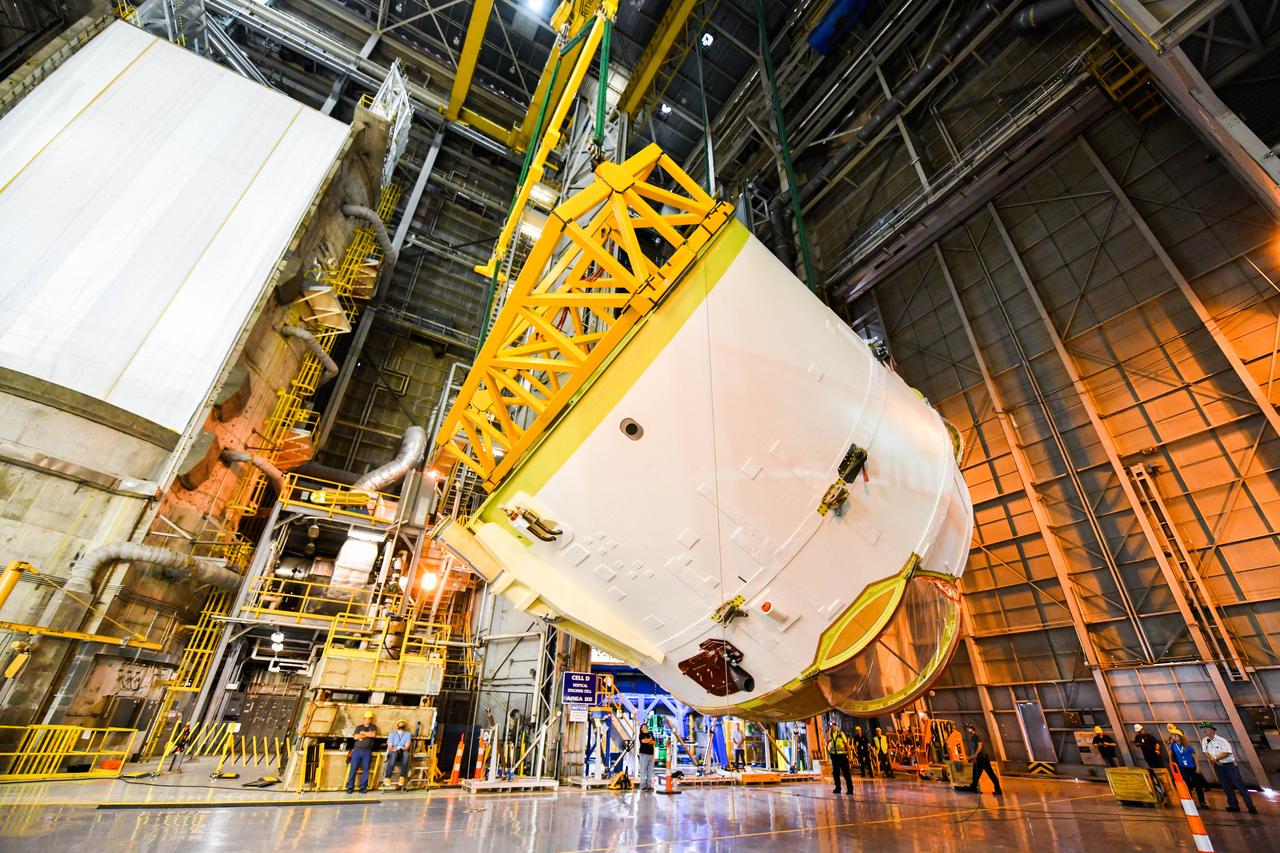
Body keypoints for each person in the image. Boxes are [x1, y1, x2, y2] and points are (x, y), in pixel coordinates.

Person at [1200, 723, 1257, 814]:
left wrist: (1216, 759)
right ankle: (1233, 805)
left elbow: (1226, 752)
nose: (1204, 731)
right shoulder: (1205, 741)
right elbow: (1205, 752)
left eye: (1206, 728)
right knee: (1226, 786)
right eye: (1204, 729)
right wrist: (1214, 760)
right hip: (1218, 766)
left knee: (1239, 786)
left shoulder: (1222, 741)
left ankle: (1250, 806)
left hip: (1229, 766)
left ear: (1212, 730)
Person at [1168, 728, 1208, 809]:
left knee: (1197, 784)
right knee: (1186, 785)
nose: (1174, 737)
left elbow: (1194, 756)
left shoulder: (1188, 746)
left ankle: (1202, 802)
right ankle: (1190, 802)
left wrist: (1198, 767)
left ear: (1180, 736)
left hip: (1192, 767)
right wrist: (1171, 763)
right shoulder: (1172, 746)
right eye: (1173, 735)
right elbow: (1171, 754)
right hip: (1182, 768)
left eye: (1175, 735)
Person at [962, 724, 1001, 796]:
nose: (967, 730)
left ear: (972, 728)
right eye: (966, 729)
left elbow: (980, 745)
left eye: (968, 728)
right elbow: (974, 748)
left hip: (982, 758)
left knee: (990, 774)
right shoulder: (972, 737)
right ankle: (973, 787)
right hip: (979, 759)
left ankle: (998, 789)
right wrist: (971, 757)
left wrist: (975, 754)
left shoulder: (976, 736)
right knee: (976, 774)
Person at [346, 711, 378, 794]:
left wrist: (363, 733)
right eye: (366, 718)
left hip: (367, 751)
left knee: (366, 769)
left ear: (371, 720)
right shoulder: (359, 727)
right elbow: (355, 737)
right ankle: (350, 787)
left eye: (369, 719)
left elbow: (373, 735)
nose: (367, 720)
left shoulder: (373, 727)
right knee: (353, 769)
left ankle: (363, 787)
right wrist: (367, 734)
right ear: (364, 719)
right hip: (357, 751)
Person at [384, 719, 412, 787]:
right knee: (394, 755)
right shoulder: (392, 734)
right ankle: (387, 777)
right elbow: (390, 746)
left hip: (402, 751)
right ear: (397, 726)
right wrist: (395, 750)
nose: (401, 724)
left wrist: (402, 749)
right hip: (393, 751)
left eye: (403, 724)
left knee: (406, 754)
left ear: (404, 726)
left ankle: (402, 777)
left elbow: (407, 746)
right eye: (400, 723)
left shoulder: (407, 734)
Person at [828, 726, 854, 795]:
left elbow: (846, 744)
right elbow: (829, 744)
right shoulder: (830, 734)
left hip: (842, 756)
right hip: (834, 756)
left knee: (846, 773)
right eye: (831, 726)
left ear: (836, 727)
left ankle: (850, 789)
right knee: (836, 774)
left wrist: (850, 755)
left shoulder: (841, 734)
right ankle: (838, 788)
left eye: (833, 726)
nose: (832, 727)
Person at [637, 723, 657, 791]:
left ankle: (649, 786)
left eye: (643, 727)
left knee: (650, 771)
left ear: (646, 727)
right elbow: (643, 741)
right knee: (643, 770)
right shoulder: (641, 735)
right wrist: (650, 740)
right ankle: (643, 786)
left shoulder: (650, 734)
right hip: (643, 754)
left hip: (651, 755)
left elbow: (654, 743)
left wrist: (649, 741)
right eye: (641, 728)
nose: (642, 728)